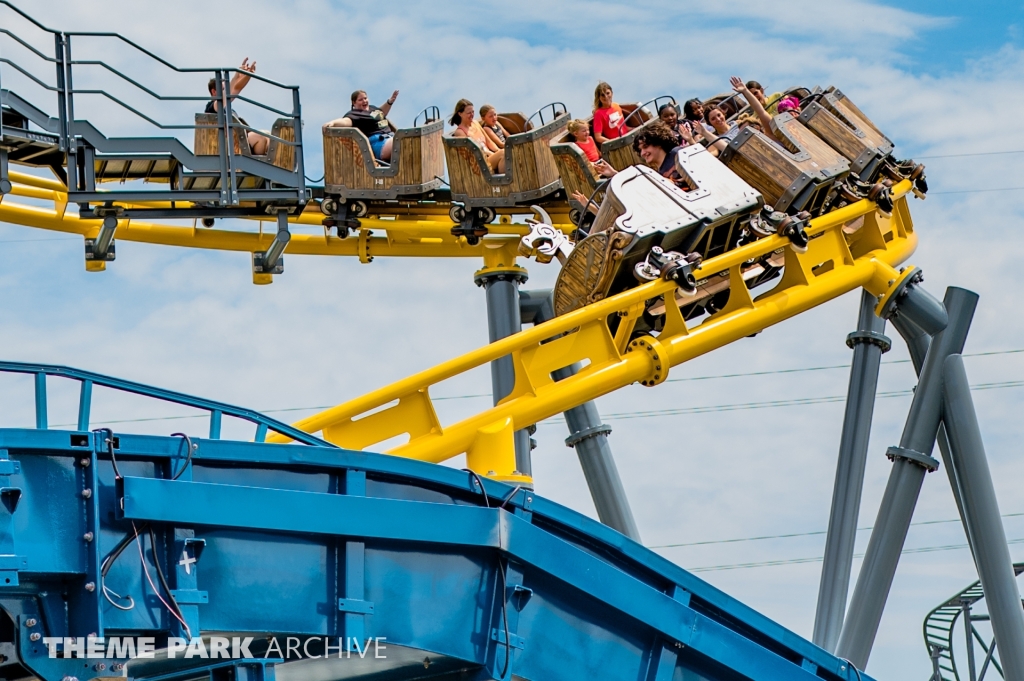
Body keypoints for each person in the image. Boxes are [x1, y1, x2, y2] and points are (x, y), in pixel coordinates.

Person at [204, 58, 269, 155]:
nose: (226, 90)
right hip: (230, 146)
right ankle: (255, 162)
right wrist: (236, 75)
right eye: (223, 88)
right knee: (260, 136)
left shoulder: (229, 109)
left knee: (268, 136)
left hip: (238, 140)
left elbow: (237, 88)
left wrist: (248, 75)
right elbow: (229, 93)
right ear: (214, 92)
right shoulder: (211, 107)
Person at [323, 89, 400, 162]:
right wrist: (333, 123)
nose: (364, 101)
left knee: (403, 140)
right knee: (400, 141)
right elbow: (346, 121)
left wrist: (390, 102)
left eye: (365, 98)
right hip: (378, 142)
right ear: (354, 103)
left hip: (391, 136)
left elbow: (382, 112)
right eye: (360, 100)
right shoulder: (355, 114)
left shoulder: (372, 108)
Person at [450, 99, 505, 173]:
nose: (472, 115)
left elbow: (489, 142)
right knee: (503, 154)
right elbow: (472, 152)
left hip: (489, 156)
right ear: (460, 114)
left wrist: (497, 150)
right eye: (469, 113)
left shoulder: (475, 123)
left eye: (473, 112)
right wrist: (492, 153)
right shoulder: (460, 132)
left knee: (505, 152)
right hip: (479, 162)